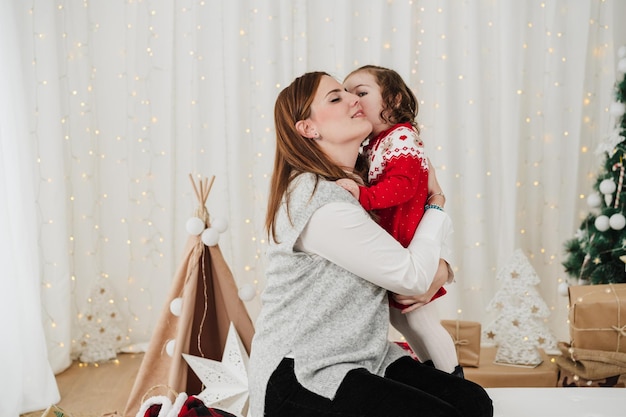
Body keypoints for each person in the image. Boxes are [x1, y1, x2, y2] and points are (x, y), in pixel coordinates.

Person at [248, 71, 492, 417]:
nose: (354, 100)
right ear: (308, 128)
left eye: (353, 93)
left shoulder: (364, 186)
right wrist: (436, 204)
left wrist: (442, 268)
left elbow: (407, 245)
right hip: (305, 371)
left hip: (366, 355)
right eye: (336, 98)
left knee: (473, 403)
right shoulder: (319, 198)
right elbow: (411, 276)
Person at [338, 64, 462, 377]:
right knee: (403, 320)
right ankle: (433, 374)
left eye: (361, 92)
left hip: (410, 246)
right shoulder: (375, 143)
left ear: (392, 101)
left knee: (422, 320)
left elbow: (404, 184)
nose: (353, 100)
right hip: (395, 248)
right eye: (345, 94)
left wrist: (364, 197)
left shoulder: (402, 137)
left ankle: (454, 379)